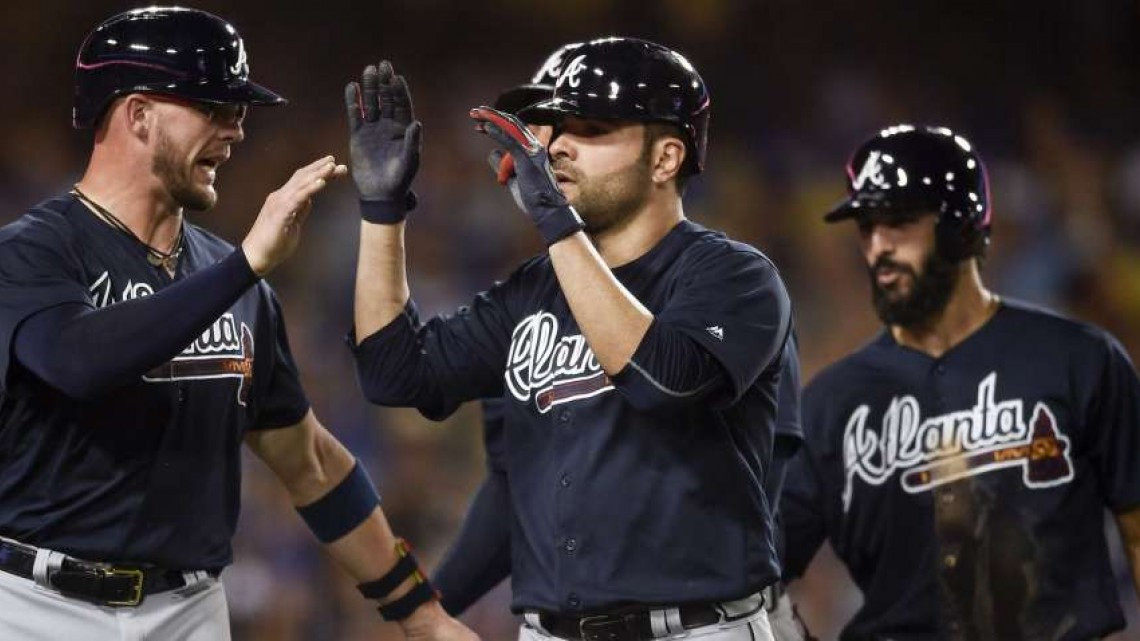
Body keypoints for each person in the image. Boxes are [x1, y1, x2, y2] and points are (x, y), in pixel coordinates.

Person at [0, 7, 476, 640]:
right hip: (36, 606)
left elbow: (309, 461)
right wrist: (247, 265)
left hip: (189, 610)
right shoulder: (33, 252)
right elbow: (77, 362)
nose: (236, 130)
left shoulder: (228, 275)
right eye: (213, 107)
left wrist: (420, 613)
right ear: (138, 114)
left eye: (239, 110)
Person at [345, 37, 792, 641]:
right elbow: (395, 372)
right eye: (553, 127)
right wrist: (382, 211)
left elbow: (666, 382)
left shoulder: (733, 276)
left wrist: (555, 220)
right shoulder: (533, 290)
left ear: (665, 159)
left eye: (592, 127)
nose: (555, 146)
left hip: (695, 629)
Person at [780, 125, 1140, 639]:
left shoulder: (1079, 360)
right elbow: (759, 574)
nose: (877, 247)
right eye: (866, 228)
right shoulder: (834, 400)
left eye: (898, 223)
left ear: (962, 228)